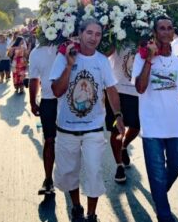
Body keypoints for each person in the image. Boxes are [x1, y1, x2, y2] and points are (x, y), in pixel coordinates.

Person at [49, 18, 125, 222]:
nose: (93, 38)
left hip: (93, 128)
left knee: (94, 172)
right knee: (68, 172)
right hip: (66, 128)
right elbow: (57, 91)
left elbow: (111, 89)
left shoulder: (101, 61)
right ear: (80, 34)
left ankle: (92, 215)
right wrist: (69, 65)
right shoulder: (63, 57)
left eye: (98, 34)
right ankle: (77, 208)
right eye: (89, 33)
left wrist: (118, 115)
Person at [132, 15, 178, 222]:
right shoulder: (141, 58)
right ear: (155, 32)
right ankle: (163, 212)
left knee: (177, 164)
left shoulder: (177, 62)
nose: (166, 32)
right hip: (152, 126)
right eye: (162, 28)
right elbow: (140, 88)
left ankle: (158, 195)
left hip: (175, 125)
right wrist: (149, 59)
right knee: (157, 173)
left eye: (169, 28)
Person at [105, 45, 140, 183]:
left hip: (137, 91)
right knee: (116, 130)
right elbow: (104, 54)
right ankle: (119, 165)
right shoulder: (116, 33)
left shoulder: (145, 34)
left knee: (136, 127)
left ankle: (124, 146)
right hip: (116, 89)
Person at [29, 43, 57, 195]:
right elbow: (34, 79)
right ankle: (48, 179)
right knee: (49, 140)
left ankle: (70, 179)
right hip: (49, 100)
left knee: (71, 141)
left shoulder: (75, 44)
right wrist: (33, 101)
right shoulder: (37, 51)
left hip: (71, 100)